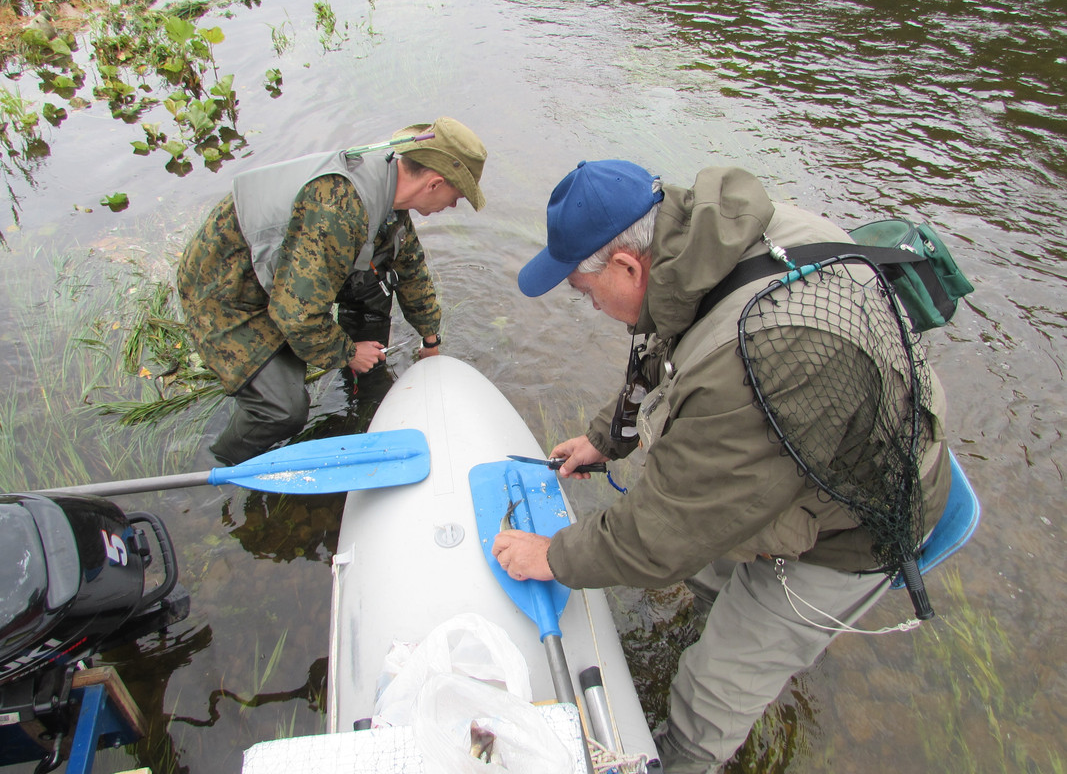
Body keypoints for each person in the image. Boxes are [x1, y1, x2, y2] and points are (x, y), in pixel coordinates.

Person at [492, 160, 953, 773]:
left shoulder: (766, 353)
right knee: (711, 577)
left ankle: (687, 757)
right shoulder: (703, 241)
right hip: (805, 440)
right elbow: (665, 343)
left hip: (854, 525)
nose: (590, 307)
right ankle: (713, 610)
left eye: (583, 291)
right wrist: (608, 438)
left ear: (628, 267)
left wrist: (550, 556)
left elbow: (660, 535)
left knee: (711, 692)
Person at [177, 117, 487, 466]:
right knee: (284, 411)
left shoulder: (388, 188)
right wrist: (347, 352)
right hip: (229, 291)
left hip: (283, 278)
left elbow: (410, 267)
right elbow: (295, 316)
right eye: (457, 195)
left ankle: (364, 381)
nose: (454, 205)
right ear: (434, 183)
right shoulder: (340, 209)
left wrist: (430, 340)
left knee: (377, 277)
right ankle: (223, 462)